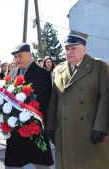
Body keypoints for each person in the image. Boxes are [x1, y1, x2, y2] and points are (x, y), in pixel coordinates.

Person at [46, 30, 109, 169]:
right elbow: (54, 100)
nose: (69, 52)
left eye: (73, 48)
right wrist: (50, 126)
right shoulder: (59, 70)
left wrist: (101, 127)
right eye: (67, 49)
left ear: (84, 48)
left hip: (89, 131)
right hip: (64, 131)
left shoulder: (99, 67)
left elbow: (106, 97)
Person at [5, 43, 54, 169]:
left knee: (40, 162)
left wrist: (47, 125)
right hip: (16, 128)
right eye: (15, 57)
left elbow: (47, 100)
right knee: (15, 162)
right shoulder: (13, 73)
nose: (17, 59)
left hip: (35, 126)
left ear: (30, 55)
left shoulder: (43, 73)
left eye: (20, 56)